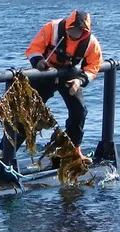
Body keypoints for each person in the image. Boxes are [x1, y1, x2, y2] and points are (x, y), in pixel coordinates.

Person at [26, 9, 102, 164]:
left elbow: (94, 65)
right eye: (71, 29)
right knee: (28, 111)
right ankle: (6, 154)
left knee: (79, 111)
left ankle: (74, 151)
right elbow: (33, 49)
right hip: (46, 73)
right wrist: (39, 61)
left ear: (85, 31)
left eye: (79, 30)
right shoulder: (51, 28)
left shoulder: (91, 43)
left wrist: (79, 81)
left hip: (69, 75)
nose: (74, 32)